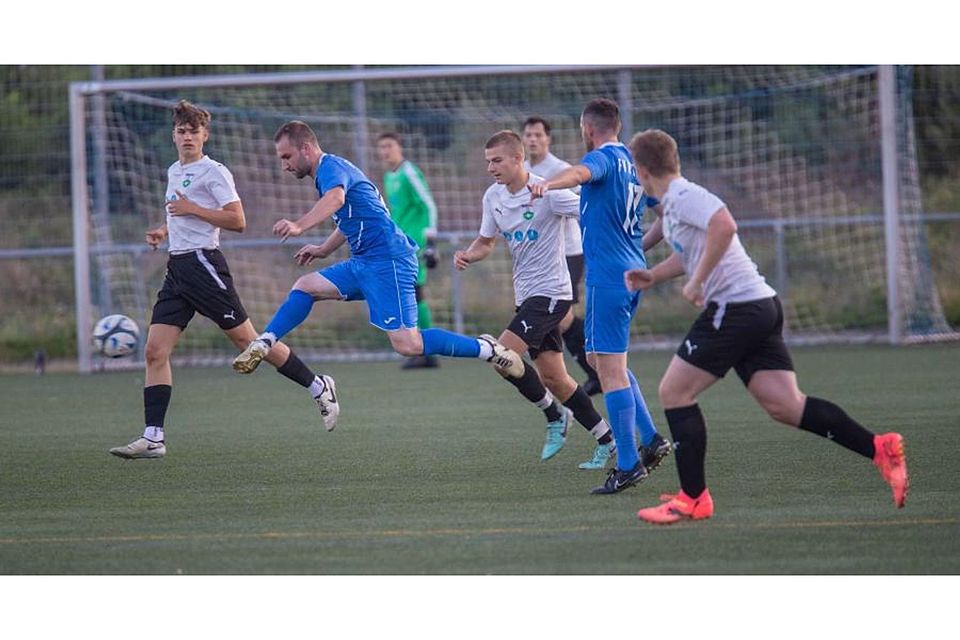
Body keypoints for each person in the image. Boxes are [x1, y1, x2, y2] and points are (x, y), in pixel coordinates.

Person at [623, 129, 909, 524]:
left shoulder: (685, 195)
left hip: (738, 309)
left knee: (674, 391)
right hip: (758, 306)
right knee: (786, 406)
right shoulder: (674, 204)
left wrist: (696, 281)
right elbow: (693, 252)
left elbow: (725, 226)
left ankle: (693, 498)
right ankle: (879, 448)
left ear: (640, 169)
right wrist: (653, 276)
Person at [232, 121, 525, 417]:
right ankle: (266, 341)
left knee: (409, 345)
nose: (284, 165)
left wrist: (299, 225)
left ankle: (488, 349)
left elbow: (335, 200)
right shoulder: (331, 171)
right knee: (305, 286)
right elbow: (349, 219)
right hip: (364, 261)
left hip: (389, 261)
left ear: (306, 149)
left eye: (286, 156)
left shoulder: (329, 167)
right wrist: (322, 250)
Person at [110, 101, 335, 460]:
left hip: (204, 265)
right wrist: (164, 229)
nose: (187, 137)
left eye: (194, 131)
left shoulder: (215, 172)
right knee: (154, 351)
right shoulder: (173, 170)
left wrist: (192, 210)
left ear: (205, 135)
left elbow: (237, 220)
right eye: (182, 131)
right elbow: (182, 215)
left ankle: (316, 384)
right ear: (174, 135)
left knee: (250, 344)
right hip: (177, 270)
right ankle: (153, 437)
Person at [528, 99, 671, 494]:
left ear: (587, 129)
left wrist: (547, 182)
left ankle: (628, 464)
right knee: (601, 359)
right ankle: (652, 439)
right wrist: (640, 246)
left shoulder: (605, 158)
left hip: (608, 280)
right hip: (629, 274)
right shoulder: (634, 164)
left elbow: (579, 172)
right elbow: (666, 213)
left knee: (607, 371)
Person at [455, 130, 616, 469]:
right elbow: (486, 242)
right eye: (487, 161)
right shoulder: (492, 197)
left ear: (518, 159)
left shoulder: (548, 192)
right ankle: (607, 440)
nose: (491, 168)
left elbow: (590, 210)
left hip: (553, 293)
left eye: (497, 160)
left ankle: (555, 415)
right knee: (556, 378)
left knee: (502, 354)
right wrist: (469, 254)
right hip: (527, 295)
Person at [522, 117, 601, 396]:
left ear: (548, 139)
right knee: (562, 317)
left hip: (568, 250)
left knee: (562, 316)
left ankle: (594, 370)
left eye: (537, 135)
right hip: (540, 254)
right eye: (528, 135)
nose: (532, 139)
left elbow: (582, 204)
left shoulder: (561, 170)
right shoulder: (523, 170)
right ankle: (590, 371)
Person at [375, 132, 441, 369]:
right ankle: (421, 349)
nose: (385, 151)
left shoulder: (408, 171)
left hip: (416, 244)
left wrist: (431, 242)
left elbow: (429, 204)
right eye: (381, 147)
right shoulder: (389, 176)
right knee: (409, 295)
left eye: (389, 146)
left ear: (399, 147)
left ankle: (427, 351)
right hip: (399, 245)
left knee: (415, 293)